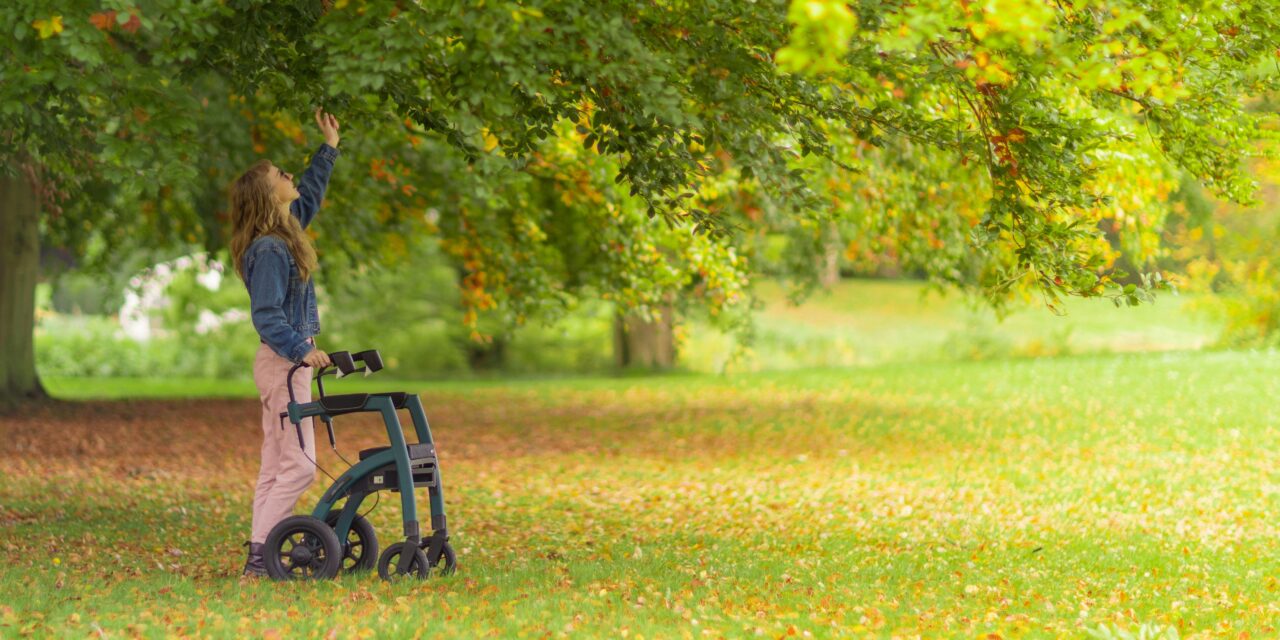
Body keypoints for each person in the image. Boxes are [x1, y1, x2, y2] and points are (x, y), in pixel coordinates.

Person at [228, 108, 341, 578]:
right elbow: (268, 316)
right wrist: (302, 350)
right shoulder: (270, 250)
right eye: (280, 174)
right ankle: (262, 555)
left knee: (276, 466)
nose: (289, 175)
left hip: (282, 364)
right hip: (283, 363)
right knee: (299, 468)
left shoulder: (282, 234)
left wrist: (329, 148)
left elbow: (310, 194)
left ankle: (258, 558)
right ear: (265, 193)